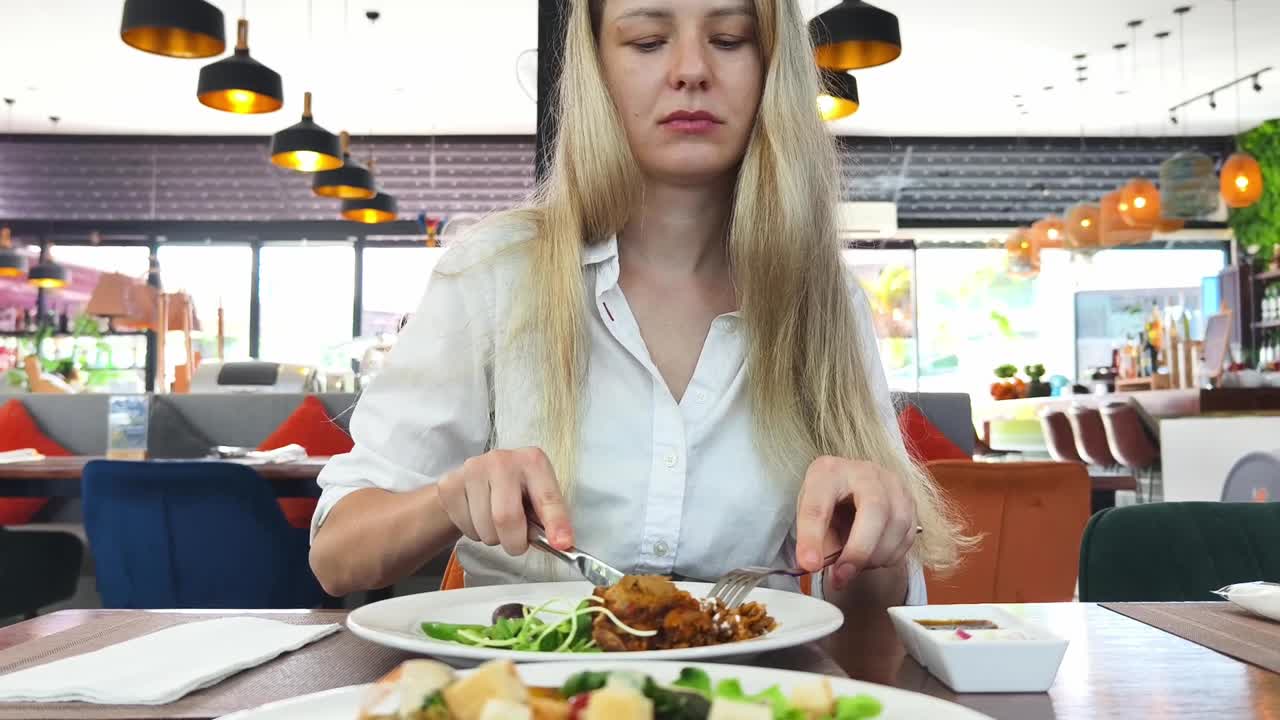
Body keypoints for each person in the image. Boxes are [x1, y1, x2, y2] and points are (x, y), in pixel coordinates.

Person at [309, 0, 968, 624]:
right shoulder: (493, 273)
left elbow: (868, 639)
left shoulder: (825, 302)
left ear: (774, 72)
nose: (690, 70)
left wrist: (873, 549)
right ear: (598, 71)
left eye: (730, 39)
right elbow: (337, 555)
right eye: (648, 41)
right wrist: (448, 498)